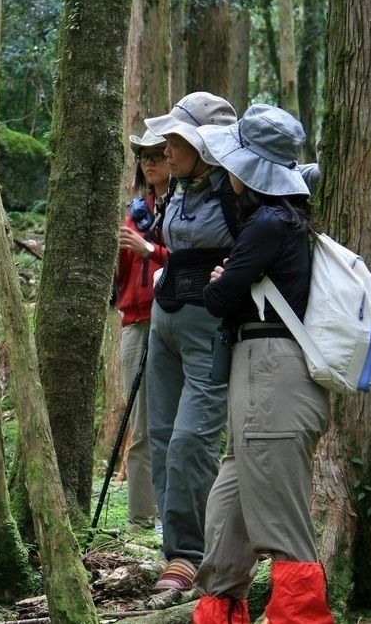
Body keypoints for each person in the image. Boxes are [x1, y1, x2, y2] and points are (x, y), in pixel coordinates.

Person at [194, 105, 333, 623]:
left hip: (272, 376)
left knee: (283, 525)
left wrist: (218, 283)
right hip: (261, 375)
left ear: (248, 171)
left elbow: (221, 297)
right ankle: (220, 613)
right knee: (229, 517)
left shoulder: (270, 224)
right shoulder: (281, 218)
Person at [141, 92, 238, 591]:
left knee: (190, 440)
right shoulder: (178, 189)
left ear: (206, 145)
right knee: (161, 438)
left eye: (178, 140)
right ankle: (174, 549)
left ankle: (193, 552)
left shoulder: (235, 190)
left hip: (211, 329)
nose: (167, 149)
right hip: (165, 322)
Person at [113, 128, 170, 531]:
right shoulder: (137, 211)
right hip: (136, 320)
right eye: (142, 156)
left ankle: (176, 519)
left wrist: (151, 249)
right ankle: (140, 521)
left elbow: (192, 261)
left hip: (173, 317)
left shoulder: (188, 208)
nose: (148, 162)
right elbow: (121, 272)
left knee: (175, 424)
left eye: (156, 155)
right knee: (142, 424)